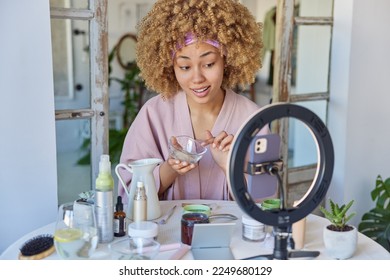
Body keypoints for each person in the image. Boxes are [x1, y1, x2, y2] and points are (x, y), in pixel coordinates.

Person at [118, 0, 267, 201]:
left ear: (227, 59)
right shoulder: (154, 114)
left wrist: (228, 165)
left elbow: (266, 203)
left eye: (208, 64)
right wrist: (169, 169)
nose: (197, 78)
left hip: (232, 233)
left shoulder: (252, 118)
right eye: (185, 67)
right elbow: (128, 192)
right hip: (169, 232)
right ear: (171, 67)